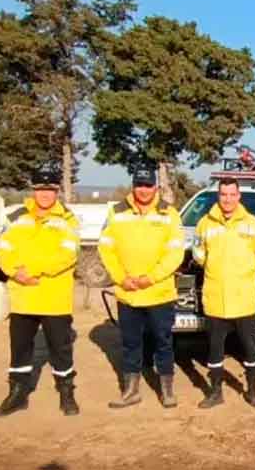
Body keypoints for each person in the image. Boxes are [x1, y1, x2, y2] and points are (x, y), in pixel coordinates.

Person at [0, 170, 81, 417]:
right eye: (40, 189)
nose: (44, 194)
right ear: (33, 190)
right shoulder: (16, 216)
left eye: (50, 190)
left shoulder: (68, 219)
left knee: (60, 349)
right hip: (22, 297)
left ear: (57, 192)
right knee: (19, 348)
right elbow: (4, 249)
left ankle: (66, 393)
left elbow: (67, 254)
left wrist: (33, 270)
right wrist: (14, 271)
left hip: (54, 298)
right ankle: (18, 394)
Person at [98, 166, 185, 409]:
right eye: (139, 185)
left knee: (163, 342)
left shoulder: (169, 214)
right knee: (130, 343)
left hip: (158, 292)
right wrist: (120, 277)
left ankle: (167, 390)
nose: (143, 190)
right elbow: (106, 247)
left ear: (155, 187)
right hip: (128, 293)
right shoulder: (116, 212)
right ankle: (131, 390)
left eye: (148, 185)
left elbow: (175, 252)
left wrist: (152, 277)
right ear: (133, 186)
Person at [192, 177, 255, 409]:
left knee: (250, 347)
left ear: (239, 196)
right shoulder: (205, 224)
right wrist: (212, 265)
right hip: (216, 297)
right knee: (215, 349)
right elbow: (198, 252)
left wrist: (247, 269)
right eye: (223, 194)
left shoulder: (253, 223)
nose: (227, 199)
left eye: (231, 194)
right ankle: (215, 392)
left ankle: (252, 391)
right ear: (219, 196)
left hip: (243, 298)